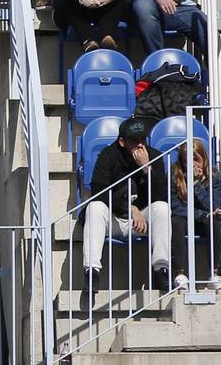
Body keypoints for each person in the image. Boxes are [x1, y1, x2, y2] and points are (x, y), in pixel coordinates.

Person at [80, 117, 171, 309]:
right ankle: (92, 273)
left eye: (143, 140)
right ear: (122, 141)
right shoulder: (108, 155)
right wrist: (130, 209)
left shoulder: (153, 156)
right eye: (134, 141)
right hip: (114, 220)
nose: (140, 145)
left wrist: (147, 168)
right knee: (95, 208)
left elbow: (161, 194)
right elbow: (99, 191)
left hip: (140, 223)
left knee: (162, 208)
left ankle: (161, 269)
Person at [170, 139, 221, 291]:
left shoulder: (214, 176)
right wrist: (204, 215)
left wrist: (197, 185)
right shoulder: (173, 175)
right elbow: (176, 207)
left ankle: (214, 274)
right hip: (185, 218)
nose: (192, 164)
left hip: (205, 221)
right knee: (176, 222)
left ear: (203, 158)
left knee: (215, 222)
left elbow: (214, 206)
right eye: (186, 161)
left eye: (196, 159)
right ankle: (179, 274)